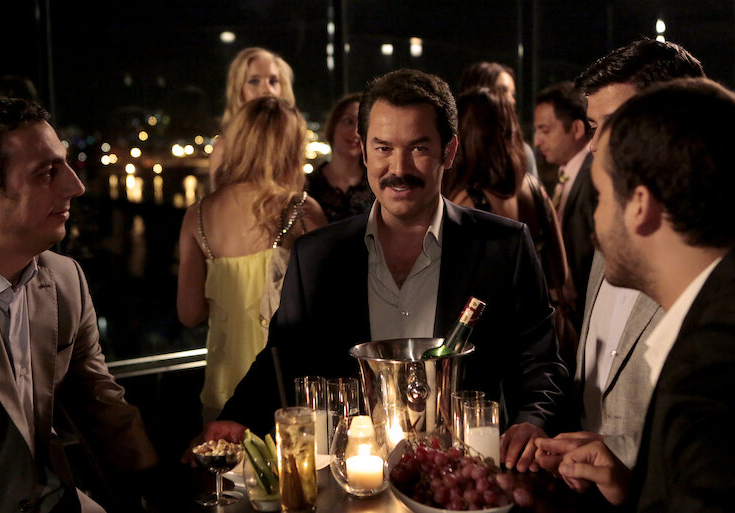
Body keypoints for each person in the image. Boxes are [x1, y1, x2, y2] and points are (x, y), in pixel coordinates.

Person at [185, 69, 569, 474]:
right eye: (383, 148)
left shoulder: (503, 246)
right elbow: (282, 357)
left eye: (418, 148)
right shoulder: (317, 255)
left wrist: (532, 421)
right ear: (365, 152)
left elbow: (541, 365)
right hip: (353, 484)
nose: (398, 168)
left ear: (449, 151)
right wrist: (236, 416)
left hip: (465, 483)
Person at [537, 78, 735, 512]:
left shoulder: (716, 365)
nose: (595, 222)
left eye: (601, 197)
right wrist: (634, 488)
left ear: (640, 205)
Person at [0, 95, 157, 512]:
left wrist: (168, 490)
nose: (76, 186)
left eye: (65, 164)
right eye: (47, 173)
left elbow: (102, 408)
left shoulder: (65, 279)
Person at [177, 96, 327, 420]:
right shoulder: (302, 211)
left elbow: (189, 313)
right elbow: (327, 309)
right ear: (290, 148)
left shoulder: (198, 214)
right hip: (286, 389)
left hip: (224, 389)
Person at [443, 86, 577, 362]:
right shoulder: (534, 189)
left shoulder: (466, 203)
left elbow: (459, 293)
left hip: (494, 345)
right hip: (540, 339)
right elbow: (560, 273)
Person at [533, 81, 594, 330]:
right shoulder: (567, 173)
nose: (537, 140)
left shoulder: (593, 176)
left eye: (545, 130)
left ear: (577, 128)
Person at [208, 47, 295, 189]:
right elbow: (217, 201)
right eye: (254, 81)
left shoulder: (292, 142)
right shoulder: (224, 149)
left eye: (273, 81)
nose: (267, 89)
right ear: (238, 91)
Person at [457, 61, 538, 179]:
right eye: (502, 91)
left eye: (513, 94)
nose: (512, 100)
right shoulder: (452, 147)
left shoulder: (520, 152)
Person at [306, 92, 374, 223]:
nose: (356, 132)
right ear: (334, 125)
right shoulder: (308, 186)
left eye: (363, 125)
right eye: (348, 121)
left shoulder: (376, 185)